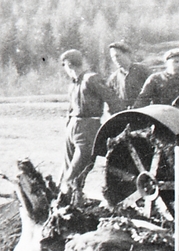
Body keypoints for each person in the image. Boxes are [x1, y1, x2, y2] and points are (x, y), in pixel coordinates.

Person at [59, 49, 119, 202]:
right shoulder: (73, 85)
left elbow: (111, 98)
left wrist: (117, 121)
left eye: (65, 65)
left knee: (79, 166)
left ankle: (69, 198)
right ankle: (67, 200)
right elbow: (71, 108)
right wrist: (68, 127)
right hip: (73, 125)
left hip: (88, 125)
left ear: (68, 65)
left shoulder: (90, 79)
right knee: (68, 166)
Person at [106, 41, 149, 110]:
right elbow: (111, 102)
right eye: (112, 57)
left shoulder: (142, 70)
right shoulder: (113, 79)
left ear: (127, 54)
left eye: (117, 56)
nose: (115, 60)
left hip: (144, 112)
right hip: (125, 116)